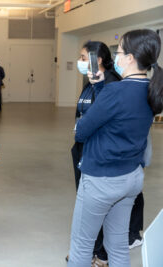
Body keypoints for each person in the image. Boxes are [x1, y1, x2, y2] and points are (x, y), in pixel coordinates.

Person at [68, 29, 163, 267]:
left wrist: (101, 92)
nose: (116, 57)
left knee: (81, 246)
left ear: (130, 58)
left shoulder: (116, 91)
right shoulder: (151, 91)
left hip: (101, 179)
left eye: (119, 52)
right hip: (131, 178)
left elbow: (82, 131)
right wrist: (100, 87)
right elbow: (119, 114)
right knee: (118, 245)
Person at [69, 41, 121, 266]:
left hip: (98, 152)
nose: (80, 62)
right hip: (82, 148)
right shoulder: (90, 81)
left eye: (83, 57)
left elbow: (105, 118)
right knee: (85, 204)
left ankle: (101, 253)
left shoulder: (110, 83)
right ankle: (92, 250)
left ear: (97, 59)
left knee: (96, 206)